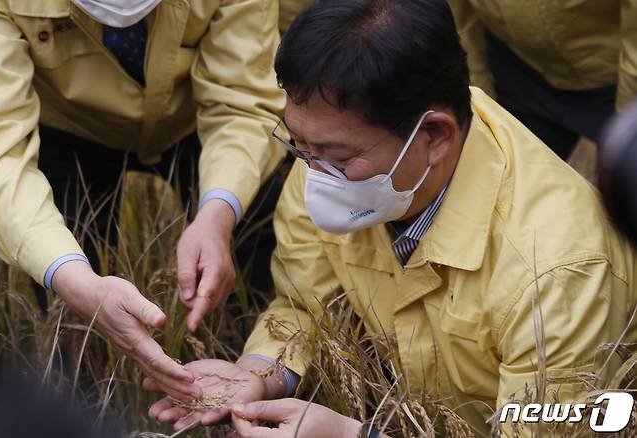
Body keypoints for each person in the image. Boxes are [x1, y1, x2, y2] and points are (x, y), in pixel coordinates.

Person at [147, 0, 637, 436]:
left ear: (436, 135)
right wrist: (260, 372)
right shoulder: (326, 155)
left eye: (336, 155)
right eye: (298, 145)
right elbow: (302, 306)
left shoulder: (558, 269)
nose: (314, 173)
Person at [0, 0, 285, 398]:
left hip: (197, 119)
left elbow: (244, 100)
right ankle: (86, 409)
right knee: (69, 308)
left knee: (262, 253)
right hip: (69, 127)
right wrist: (73, 276)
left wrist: (219, 212)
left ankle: (263, 382)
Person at [445, 0, 637, 160]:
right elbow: (459, 23)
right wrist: (481, 110)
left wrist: (627, 127)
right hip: (519, 71)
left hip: (614, 78)